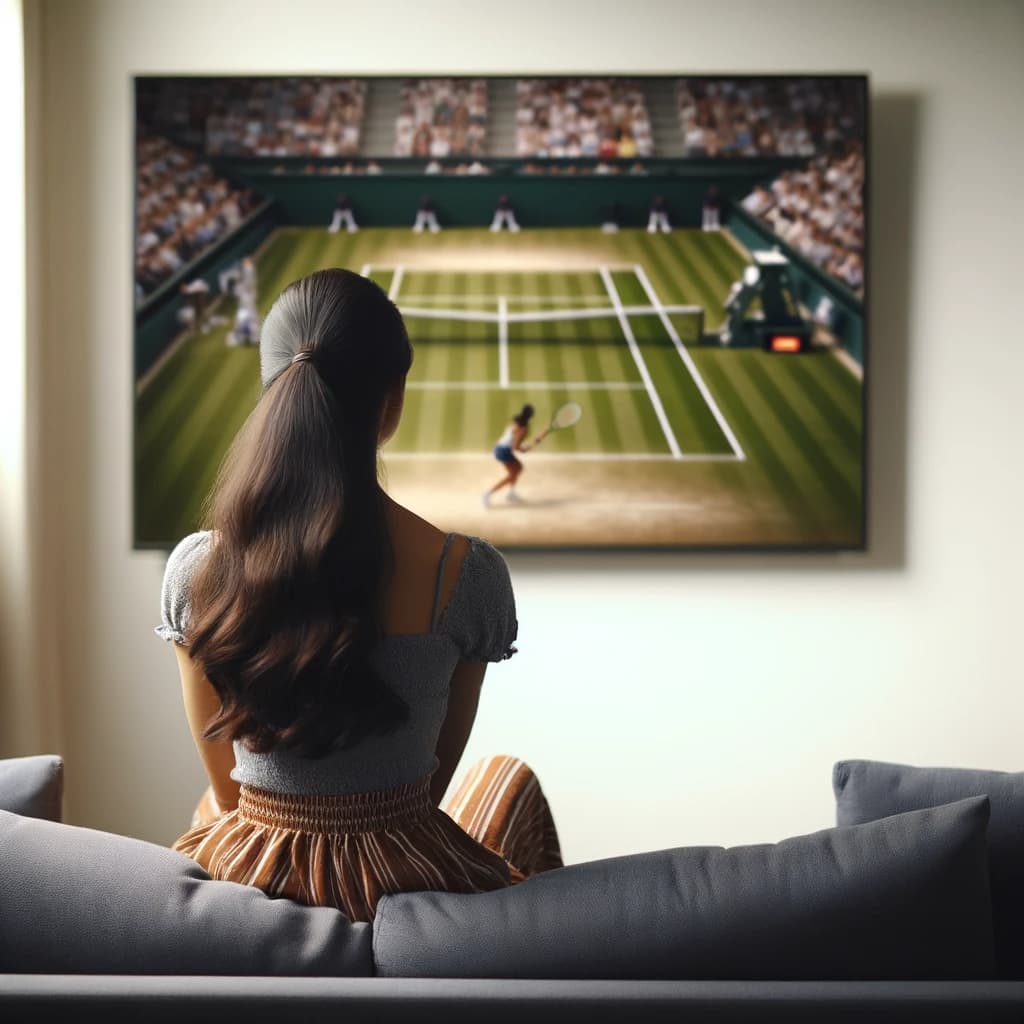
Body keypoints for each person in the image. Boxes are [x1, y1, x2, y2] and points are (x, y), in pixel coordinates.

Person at [156, 269, 561, 922]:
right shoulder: (467, 575)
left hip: (255, 869)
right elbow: (427, 790)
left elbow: (228, 796)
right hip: (402, 877)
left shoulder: (197, 569)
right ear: (390, 402)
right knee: (509, 779)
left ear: (273, 389)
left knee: (207, 813)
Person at [483, 404, 543, 506]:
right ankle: (488, 494)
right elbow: (516, 448)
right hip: (504, 451)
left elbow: (512, 441)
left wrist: (528, 445)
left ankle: (511, 493)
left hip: (499, 447)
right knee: (511, 475)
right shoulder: (524, 429)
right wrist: (530, 446)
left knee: (518, 468)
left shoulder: (515, 422)